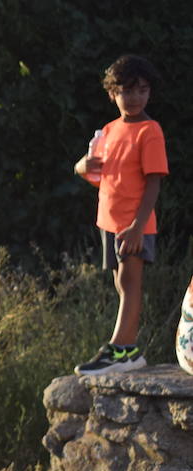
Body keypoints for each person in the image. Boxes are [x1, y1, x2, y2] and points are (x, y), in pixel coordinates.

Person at [73, 54, 167, 375]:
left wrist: (138, 227)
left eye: (142, 90)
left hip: (134, 224)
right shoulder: (110, 130)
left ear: (149, 92)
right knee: (120, 283)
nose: (135, 97)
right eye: (127, 90)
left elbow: (154, 183)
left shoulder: (150, 131)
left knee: (130, 283)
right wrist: (80, 166)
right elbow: (96, 172)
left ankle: (120, 350)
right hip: (109, 222)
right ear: (112, 93)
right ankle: (129, 350)